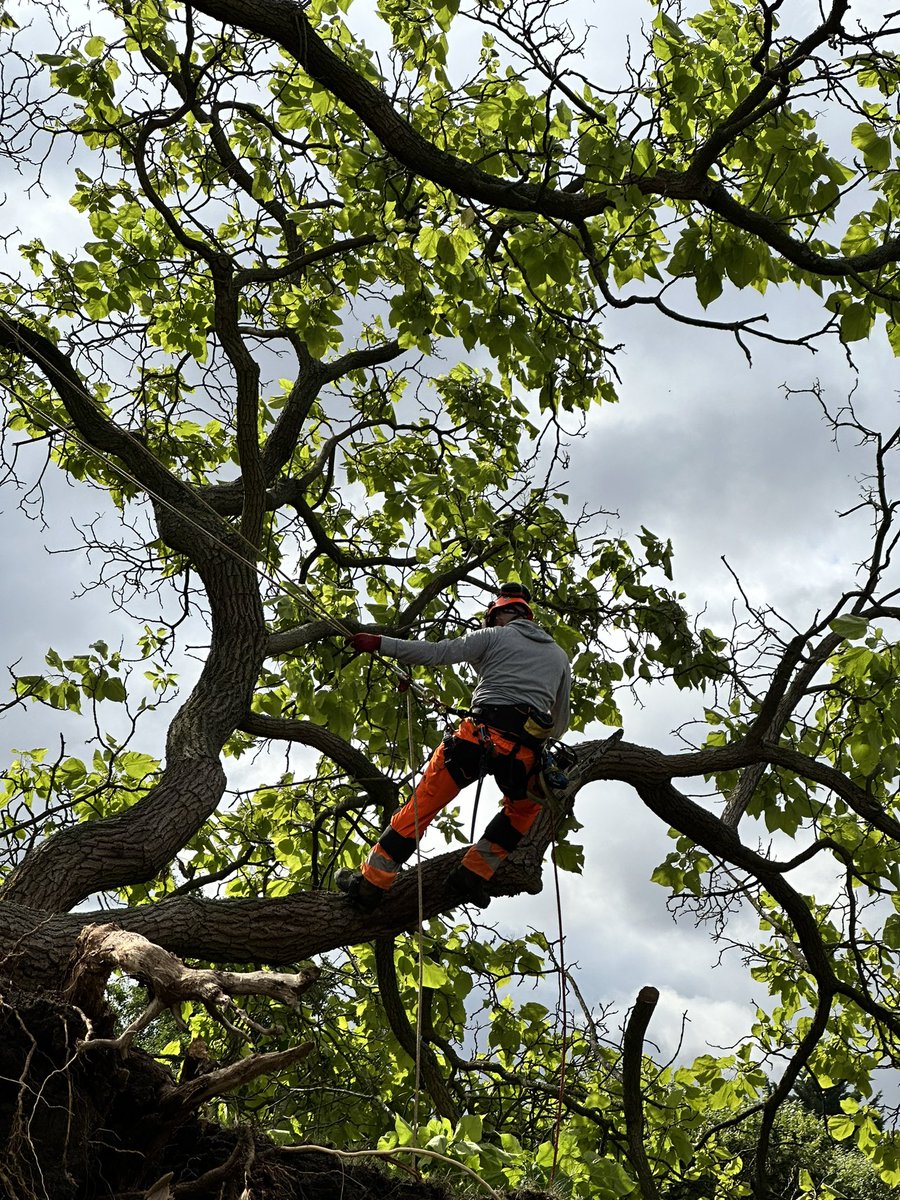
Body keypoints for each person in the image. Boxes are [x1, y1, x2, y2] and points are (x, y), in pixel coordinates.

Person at [337, 584, 572, 912]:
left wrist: (380, 643)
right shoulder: (560, 657)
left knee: (422, 807)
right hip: (523, 754)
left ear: (500, 614)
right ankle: (472, 874)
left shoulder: (493, 636)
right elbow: (559, 723)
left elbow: (437, 653)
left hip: (474, 740)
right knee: (524, 810)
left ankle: (372, 883)